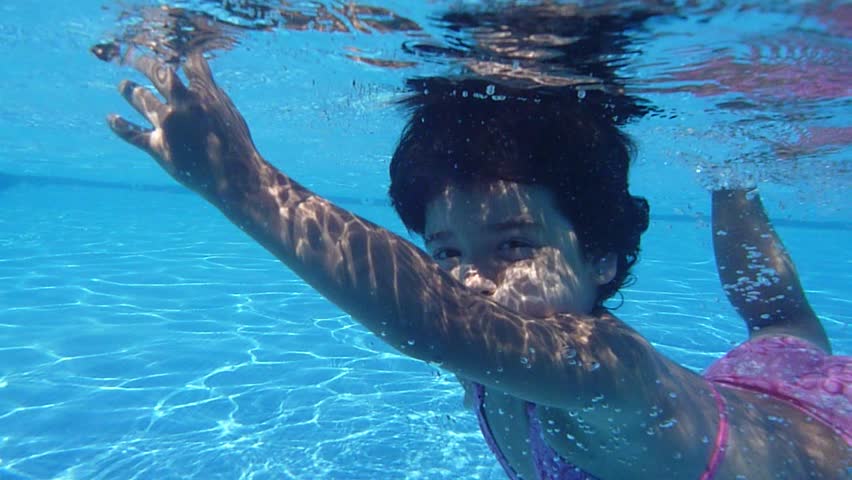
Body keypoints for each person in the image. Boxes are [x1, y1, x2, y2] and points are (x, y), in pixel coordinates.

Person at [105, 51, 850, 479]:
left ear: (601, 260)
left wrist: (242, 183)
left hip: (831, 436)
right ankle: (732, 165)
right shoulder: (503, 362)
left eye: (513, 244)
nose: (467, 278)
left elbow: (435, 319)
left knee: (778, 318)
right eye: (447, 252)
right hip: (760, 381)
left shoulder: (612, 370)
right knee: (776, 316)